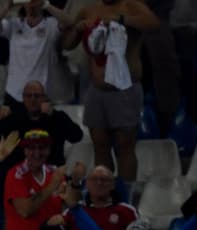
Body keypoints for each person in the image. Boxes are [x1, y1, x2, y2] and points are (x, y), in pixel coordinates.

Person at [61, 0, 160, 181]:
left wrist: (121, 19)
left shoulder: (131, 5)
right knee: (100, 144)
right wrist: (77, 29)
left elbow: (154, 24)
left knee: (125, 145)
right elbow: (67, 44)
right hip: (96, 89)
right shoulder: (88, 11)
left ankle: (126, 192)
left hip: (125, 89)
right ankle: (103, 192)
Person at [0, 1, 74, 106]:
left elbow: (70, 23)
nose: (31, 4)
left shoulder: (51, 24)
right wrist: (8, 5)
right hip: (14, 94)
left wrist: (46, 4)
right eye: (28, 1)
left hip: (40, 94)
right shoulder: (14, 24)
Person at [0, 81, 84, 167]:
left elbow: (77, 136)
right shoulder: (13, 117)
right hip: (18, 175)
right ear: (23, 98)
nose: (33, 99)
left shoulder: (57, 117)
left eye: (37, 96)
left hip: (51, 174)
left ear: (44, 98)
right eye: (29, 96)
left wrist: (54, 115)